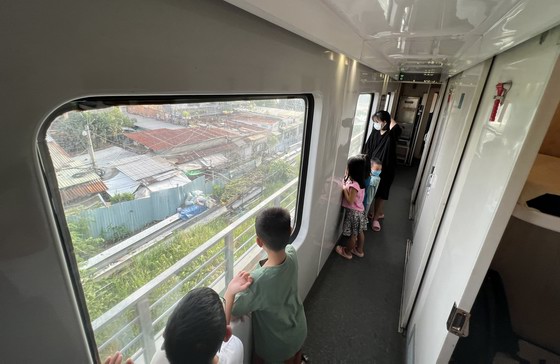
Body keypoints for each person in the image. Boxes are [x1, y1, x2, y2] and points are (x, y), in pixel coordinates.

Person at [224, 207, 307, 364]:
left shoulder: (257, 282)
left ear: (259, 241)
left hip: (277, 344)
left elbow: (232, 311)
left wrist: (230, 290)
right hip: (299, 329)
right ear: (290, 231)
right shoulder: (291, 253)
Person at [104, 287, 243, 364]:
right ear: (227, 334)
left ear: (165, 335)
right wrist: (230, 293)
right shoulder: (235, 349)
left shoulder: (159, 359)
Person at [363, 110, 402, 232]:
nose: (375, 124)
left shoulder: (391, 134)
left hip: (387, 169)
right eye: (374, 122)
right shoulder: (374, 133)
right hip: (373, 167)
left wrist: (389, 117)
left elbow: (395, 125)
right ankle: (374, 212)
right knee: (371, 189)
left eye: (377, 122)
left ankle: (376, 218)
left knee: (382, 193)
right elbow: (367, 148)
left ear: (385, 122)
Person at [335, 155, 367, 260]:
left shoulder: (354, 186)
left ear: (352, 170)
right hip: (360, 212)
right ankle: (359, 251)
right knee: (360, 232)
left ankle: (347, 252)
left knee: (353, 236)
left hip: (353, 214)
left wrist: (344, 188)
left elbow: (350, 200)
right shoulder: (360, 182)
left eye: (347, 168)